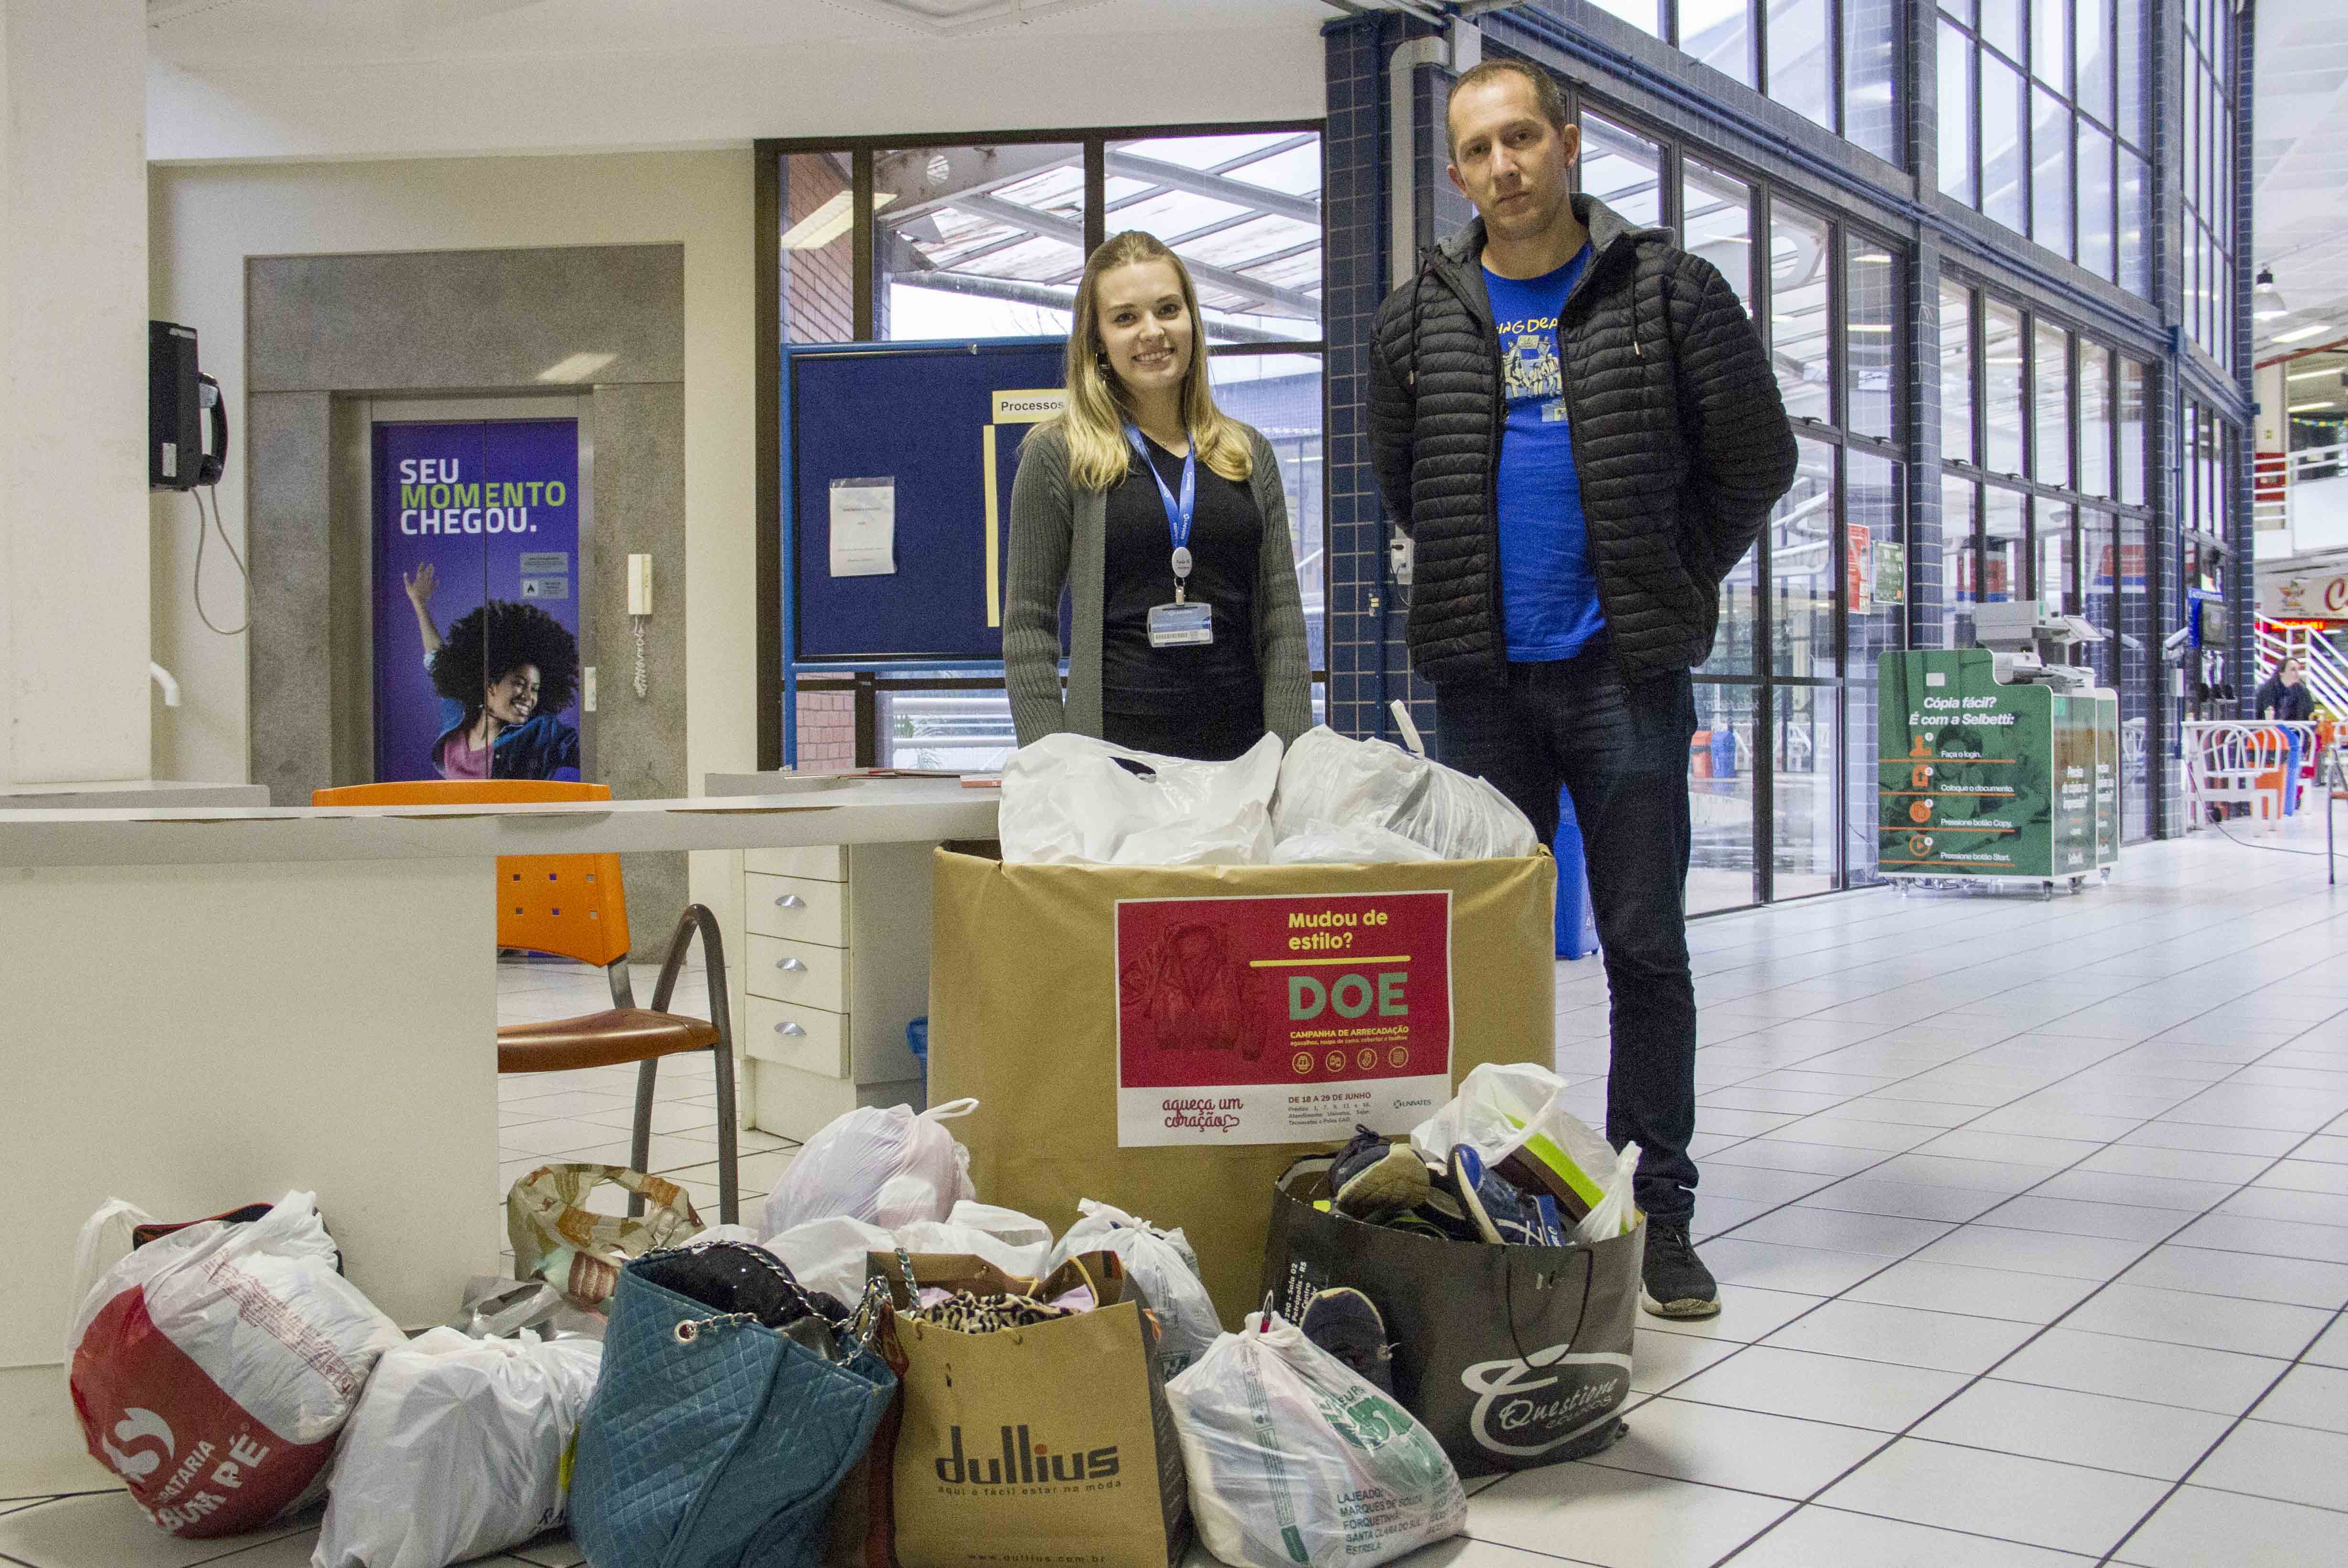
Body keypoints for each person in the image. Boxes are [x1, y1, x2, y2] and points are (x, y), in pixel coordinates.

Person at [1368, 59, 1797, 1319]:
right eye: (1477, 150)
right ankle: (1505, 1199)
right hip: (1482, 679)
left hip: (1623, 670)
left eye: (1521, 138)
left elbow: (1756, 457)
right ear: (1456, 174)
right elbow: (1405, 480)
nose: (1502, 167)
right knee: (1488, 953)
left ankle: (1658, 1208)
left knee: (1643, 944)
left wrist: (1668, 572)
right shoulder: (1416, 319)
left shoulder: (1667, 292)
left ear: (1568, 140)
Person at [1005, 230, 1313, 761]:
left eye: (1168, 309)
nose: (1152, 332)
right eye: (1126, 318)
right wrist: (1051, 766)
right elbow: (1029, 628)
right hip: (1112, 766)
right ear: (1098, 339)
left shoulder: (1246, 453)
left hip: (1244, 763)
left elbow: (1282, 621)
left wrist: (1288, 758)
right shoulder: (1061, 454)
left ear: (1192, 319)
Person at [403, 562, 583, 781]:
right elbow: (437, 659)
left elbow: (589, 751)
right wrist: (420, 604)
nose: (529, 697)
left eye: (535, 689)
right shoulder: (457, 711)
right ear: (490, 684)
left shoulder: (542, 731)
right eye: (519, 683)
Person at [2255, 657, 2314, 724]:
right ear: (2281, 672)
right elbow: (2258, 715)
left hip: (2295, 728)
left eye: (2299, 669)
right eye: (2293, 670)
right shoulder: (2266, 690)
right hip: (2270, 728)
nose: (2297, 673)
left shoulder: (2303, 691)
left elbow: (2309, 714)